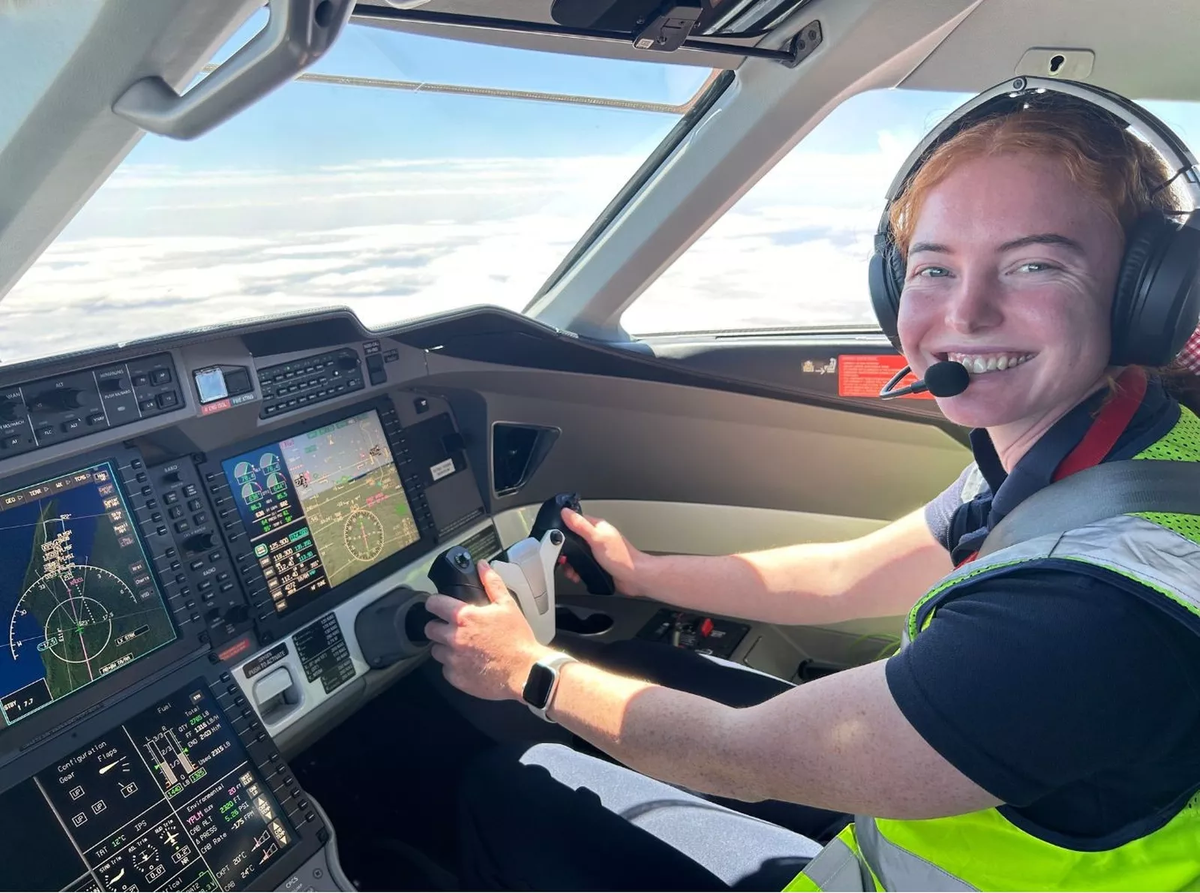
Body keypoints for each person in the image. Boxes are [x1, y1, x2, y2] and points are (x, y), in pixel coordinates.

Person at [422, 77, 1200, 891]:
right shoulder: (1125, 451)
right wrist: (642, 572)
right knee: (640, 666)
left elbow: (740, 755)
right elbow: (848, 574)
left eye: (1035, 264)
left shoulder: (1093, 609)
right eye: (935, 268)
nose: (965, 313)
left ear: (1145, 295)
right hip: (933, 826)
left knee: (510, 787)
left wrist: (524, 670)